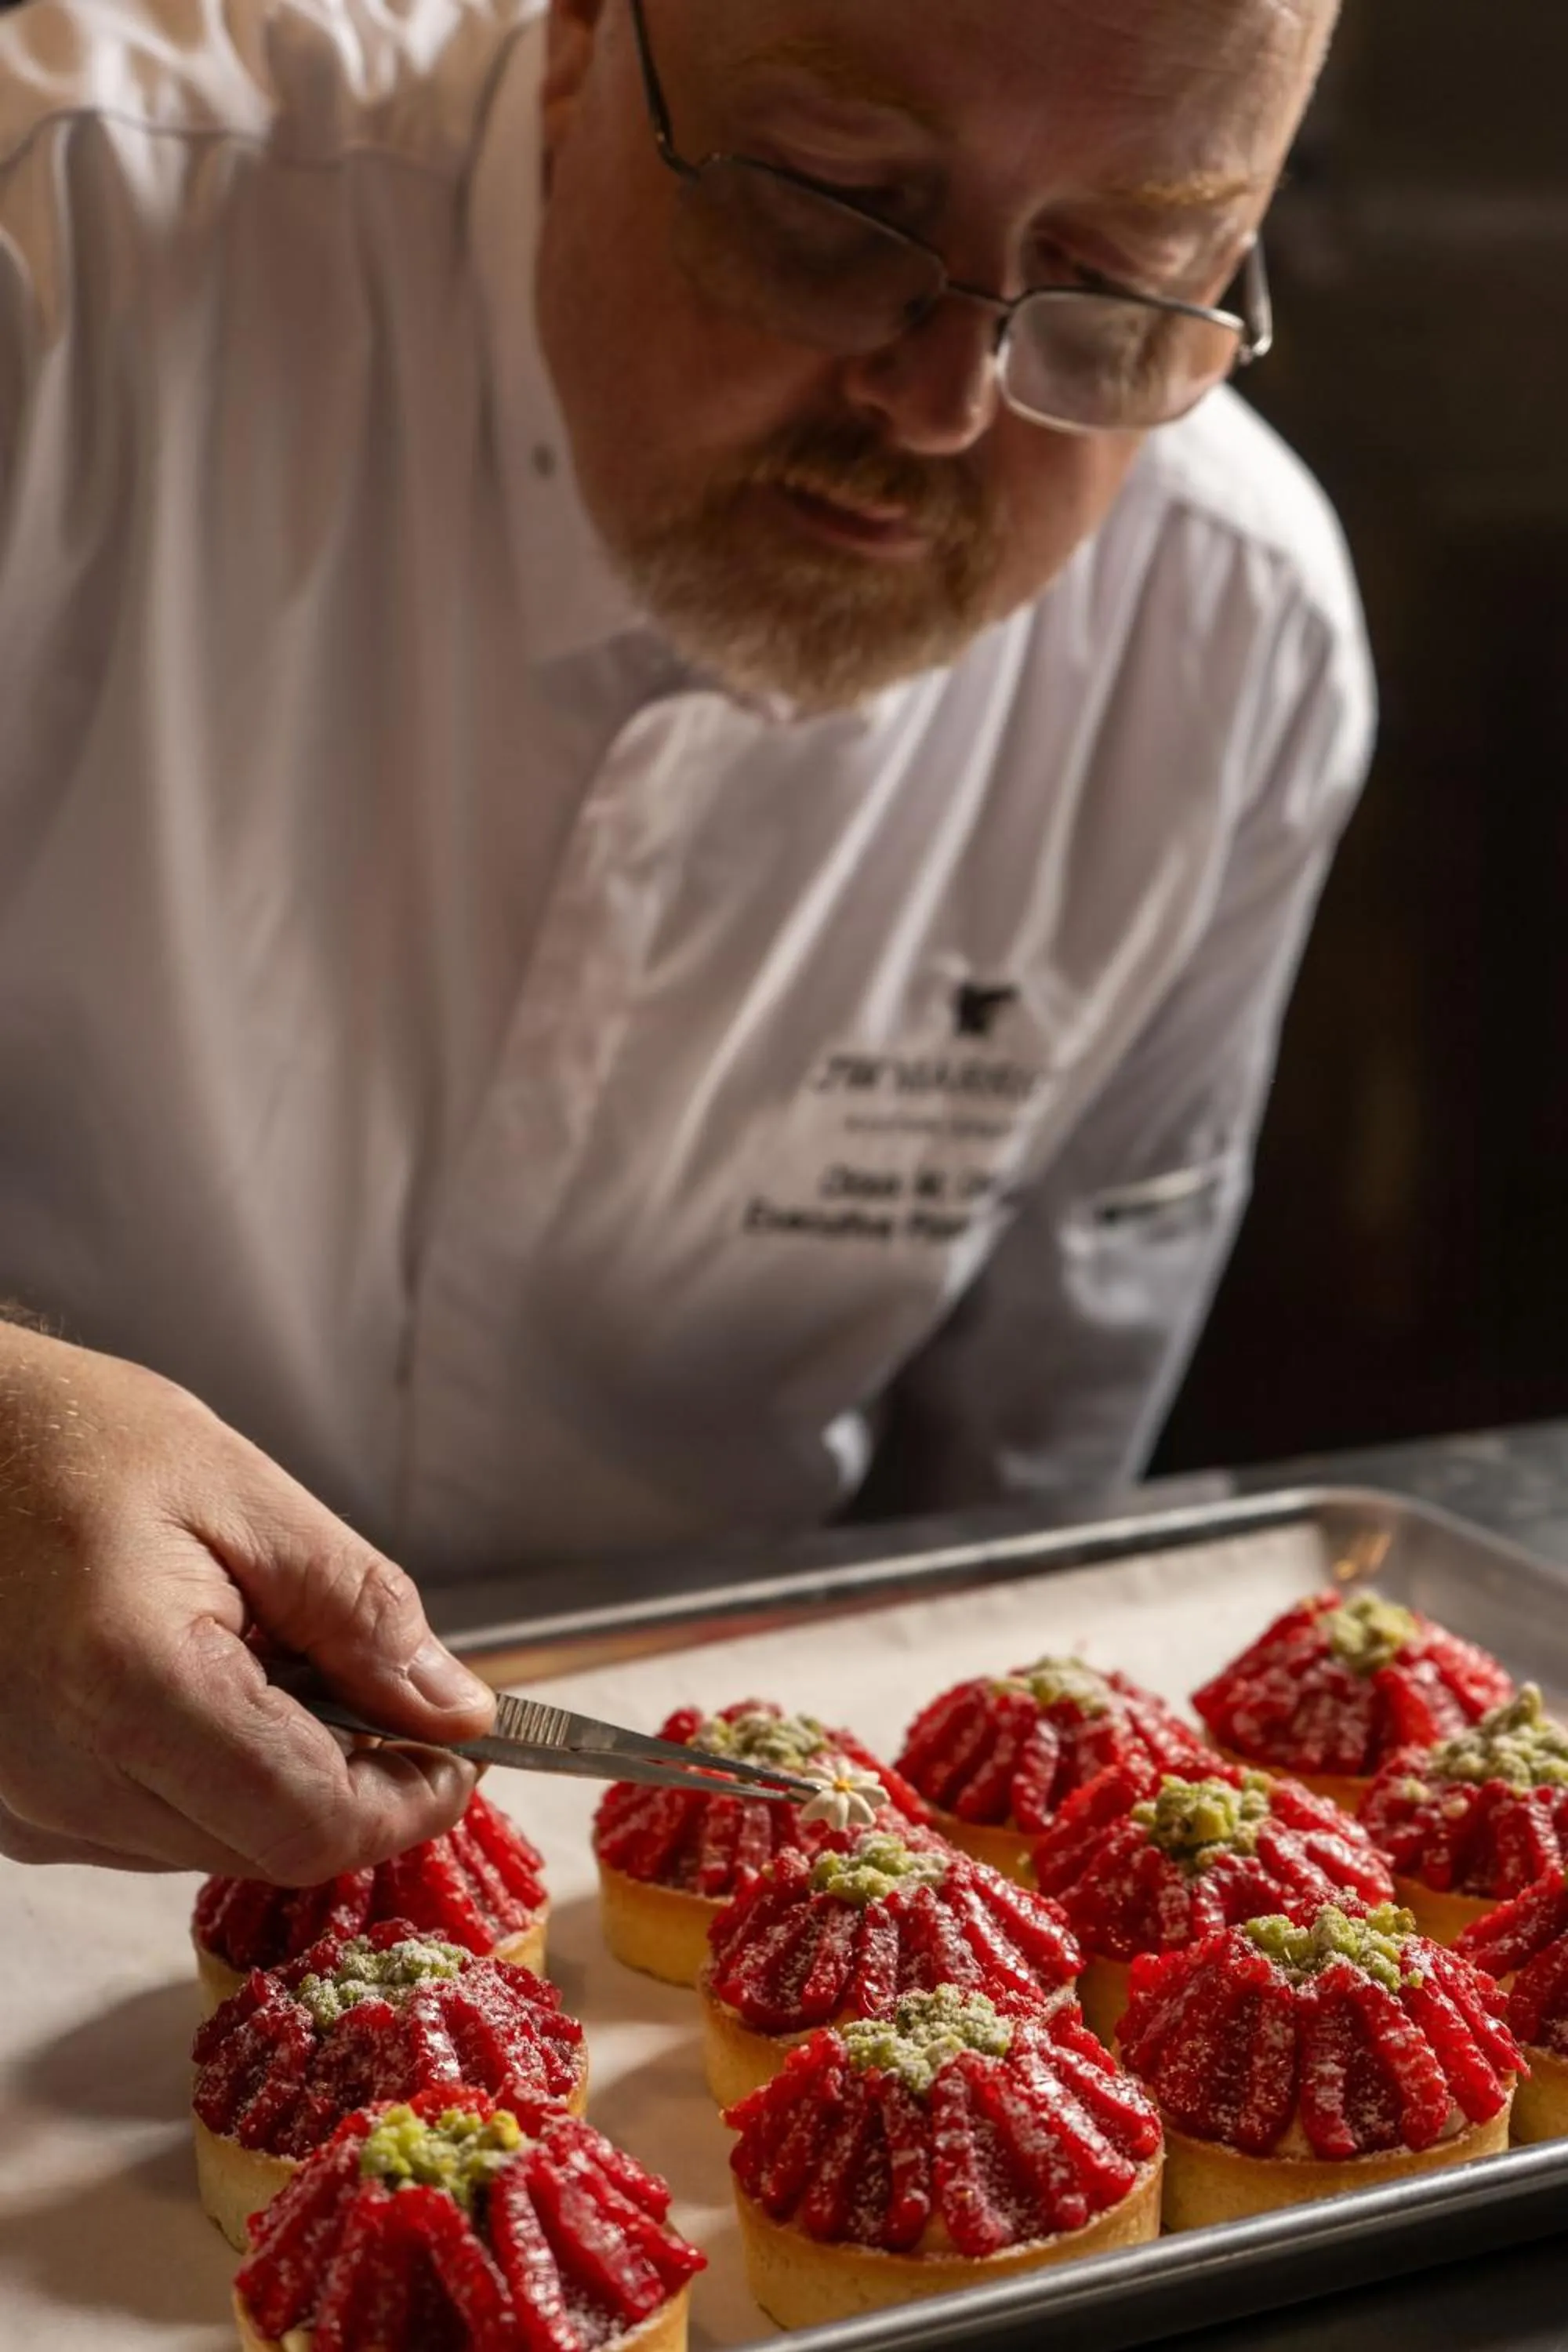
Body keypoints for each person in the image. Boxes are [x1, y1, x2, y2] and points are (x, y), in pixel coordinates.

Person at [0, 0, 1371, 1881]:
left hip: (691, 1887)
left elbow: (1021, 1516)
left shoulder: (1227, 639)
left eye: (1120, 279)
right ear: (572, 35)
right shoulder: (54, 271)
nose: (944, 399)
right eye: (829, 205)